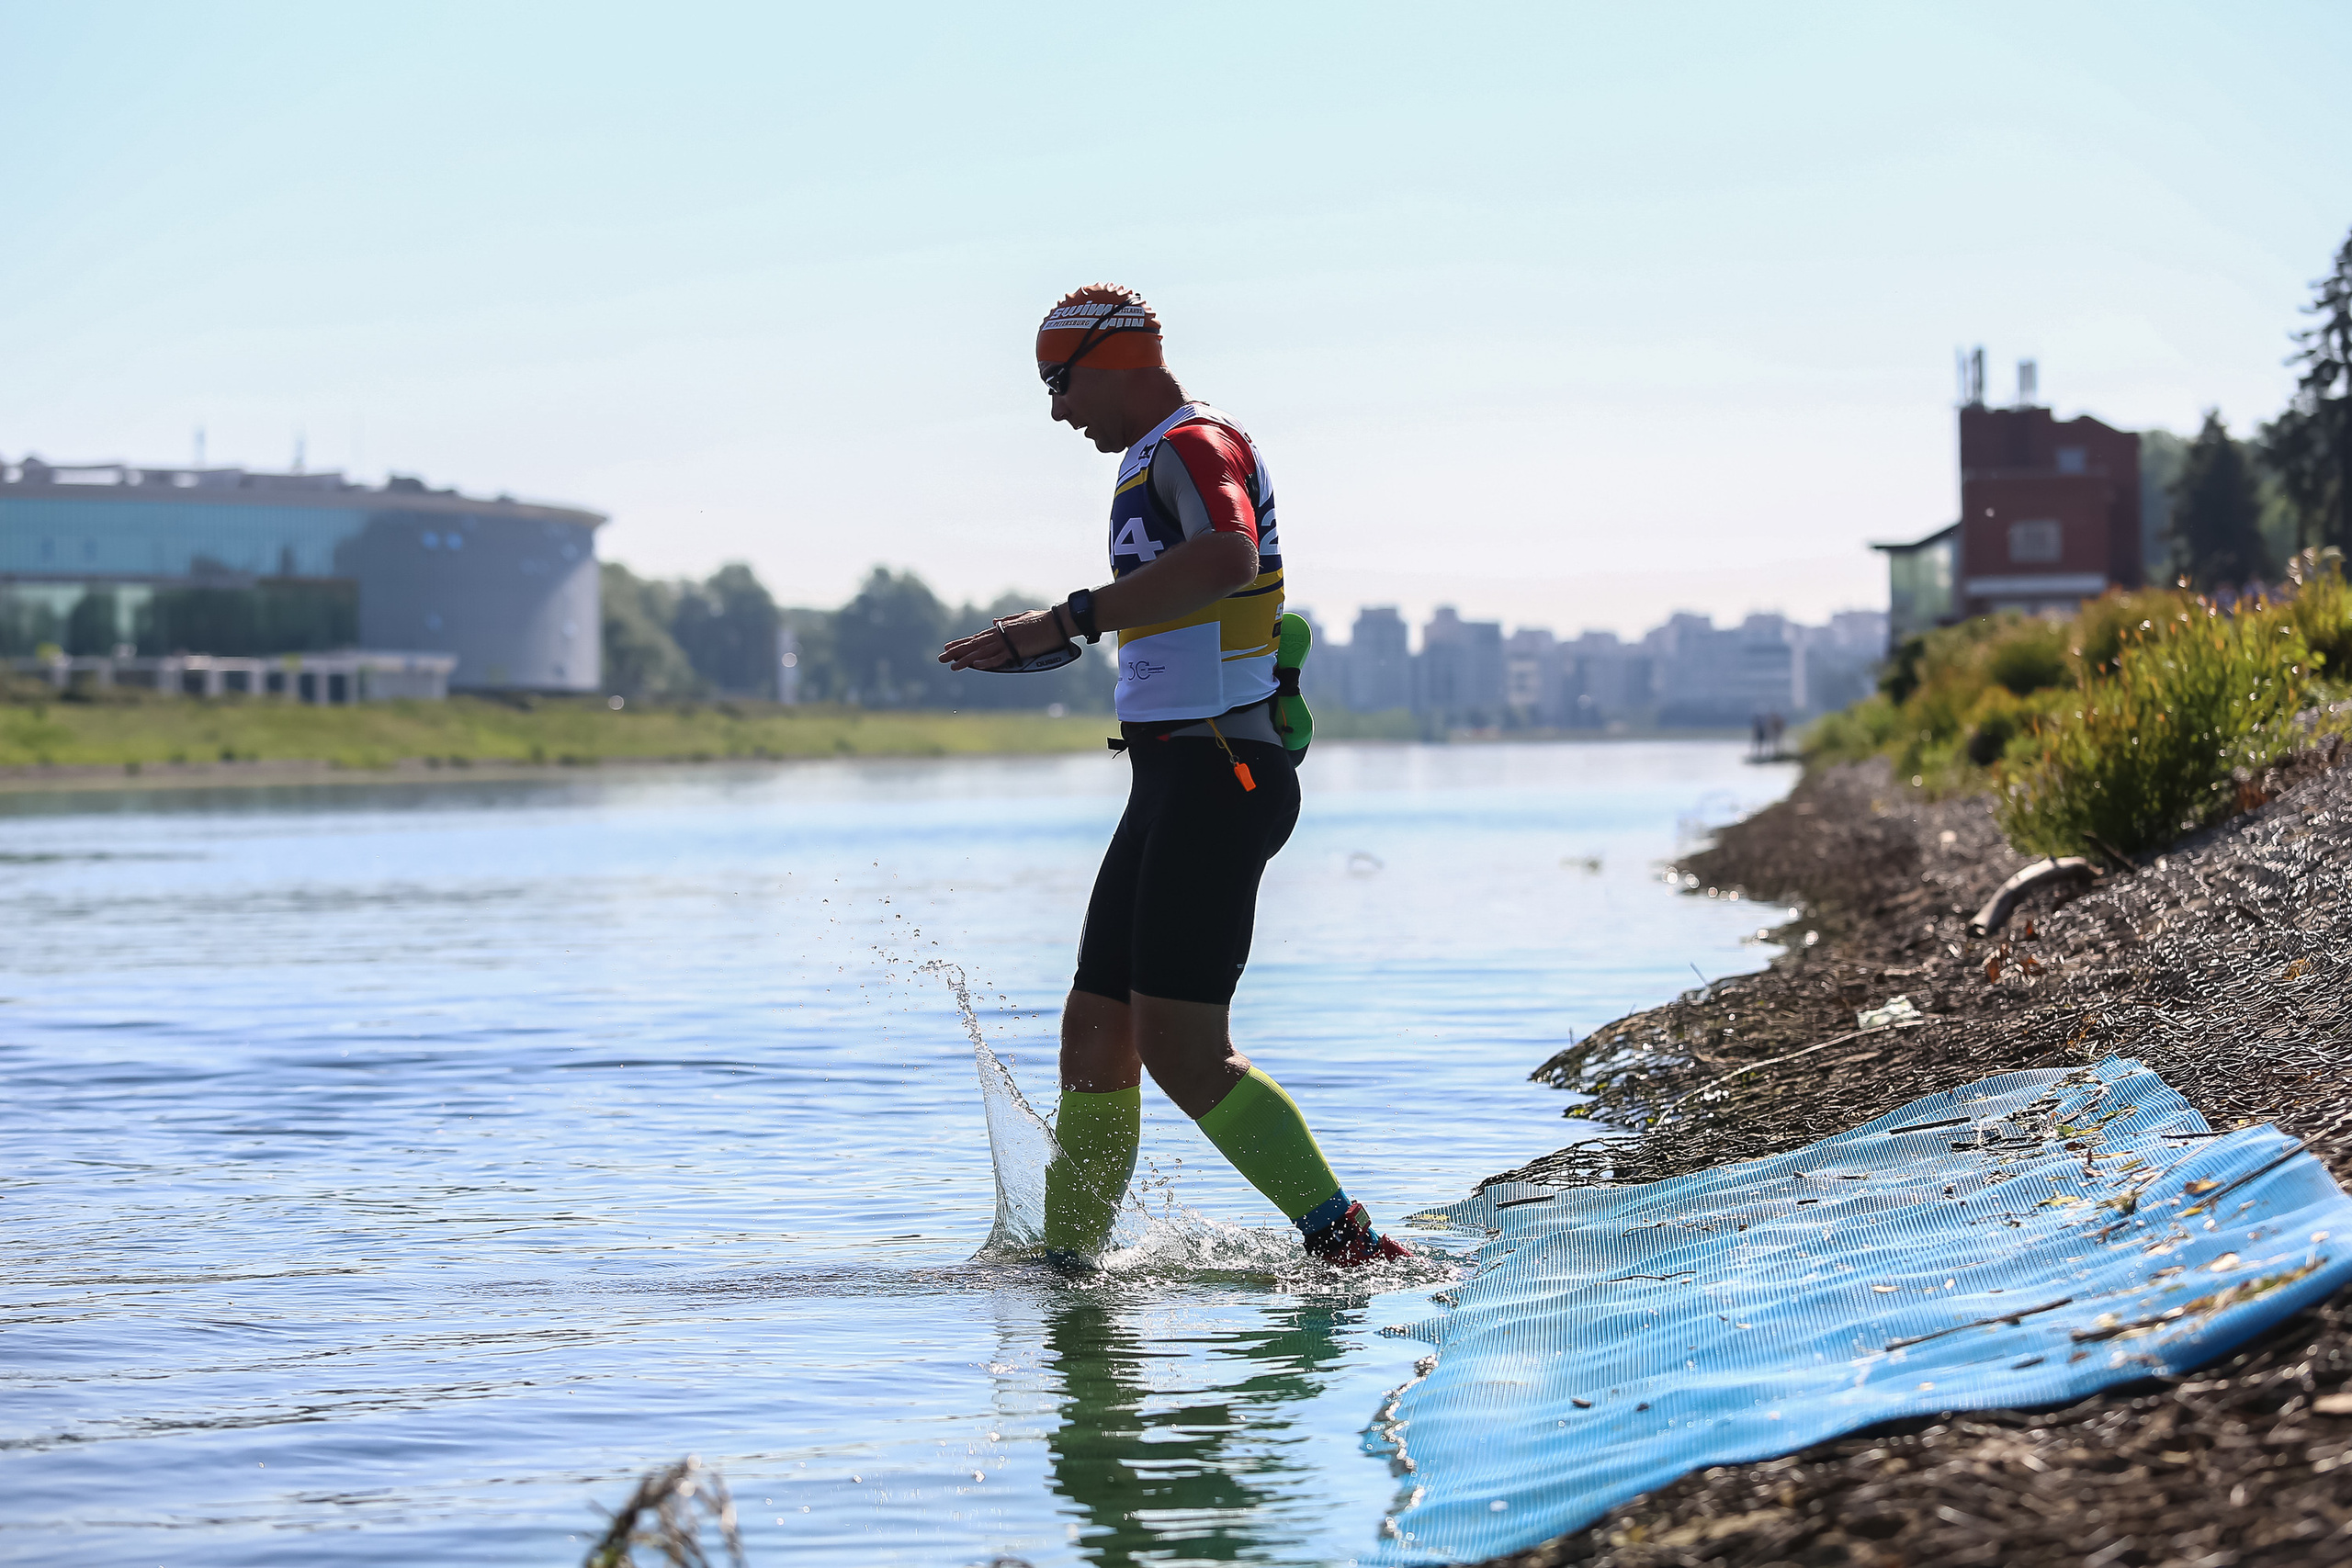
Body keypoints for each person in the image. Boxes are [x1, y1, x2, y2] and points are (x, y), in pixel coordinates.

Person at [939, 284, 1408, 1269]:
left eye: (1058, 385)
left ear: (1111, 363)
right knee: (1096, 1032)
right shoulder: (1148, 460)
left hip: (1220, 775)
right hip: (1167, 780)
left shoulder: (1196, 443)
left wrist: (1065, 620)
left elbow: (1230, 554)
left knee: (1182, 1048)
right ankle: (1070, 1274)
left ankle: (1349, 1247)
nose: (1058, 411)